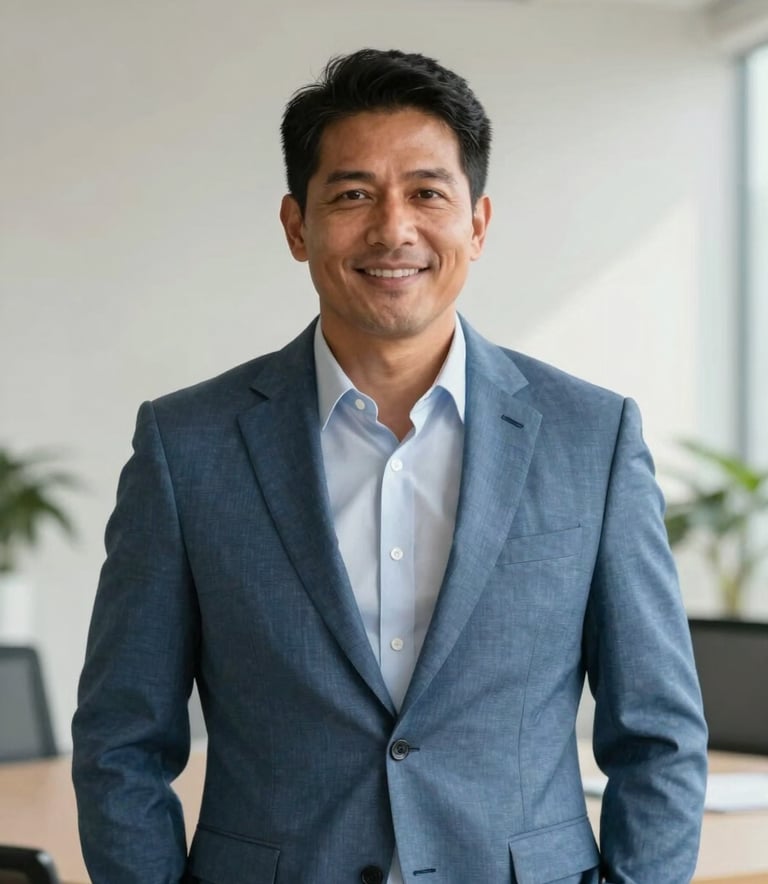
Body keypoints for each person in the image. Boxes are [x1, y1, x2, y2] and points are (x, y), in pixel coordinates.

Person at [72, 48, 708, 884]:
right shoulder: (187, 444)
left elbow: (660, 738)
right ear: (297, 226)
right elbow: (121, 741)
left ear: (477, 224)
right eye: (352, 194)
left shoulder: (592, 437)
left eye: (427, 193)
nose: (393, 229)